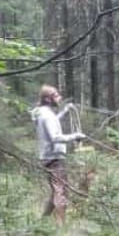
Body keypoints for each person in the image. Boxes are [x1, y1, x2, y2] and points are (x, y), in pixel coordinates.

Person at [30, 85, 85, 223]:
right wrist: (75, 136)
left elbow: (52, 122)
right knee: (61, 192)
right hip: (54, 158)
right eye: (56, 96)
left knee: (56, 191)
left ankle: (41, 223)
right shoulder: (47, 115)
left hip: (49, 157)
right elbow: (55, 137)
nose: (59, 98)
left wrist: (64, 111)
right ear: (48, 99)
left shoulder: (42, 113)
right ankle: (61, 227)